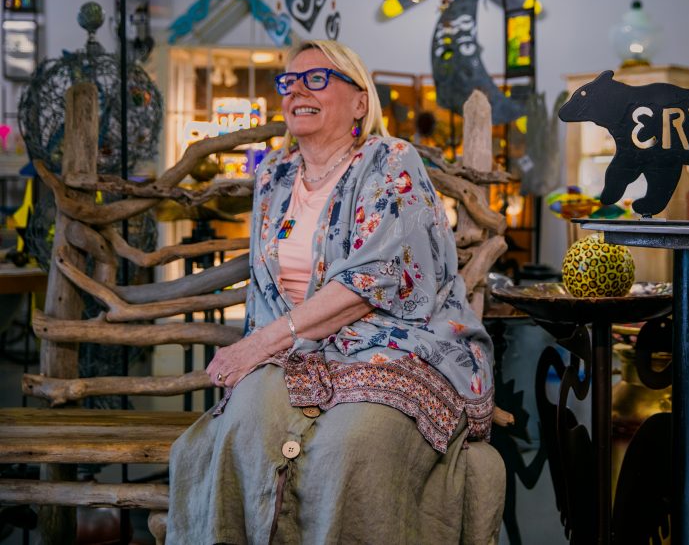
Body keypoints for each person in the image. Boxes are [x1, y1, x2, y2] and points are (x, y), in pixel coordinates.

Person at [167, 40, 497, 544]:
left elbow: (372, 281)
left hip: (395, 345)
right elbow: (265, 289)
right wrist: (262, 353)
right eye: (288, 82)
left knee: (352, 445)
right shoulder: (273, 179)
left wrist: (258, 344)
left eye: (316, 78)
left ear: (360, 102)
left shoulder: (391, 161)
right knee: (245, 422)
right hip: (301, 352)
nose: (296, 89)